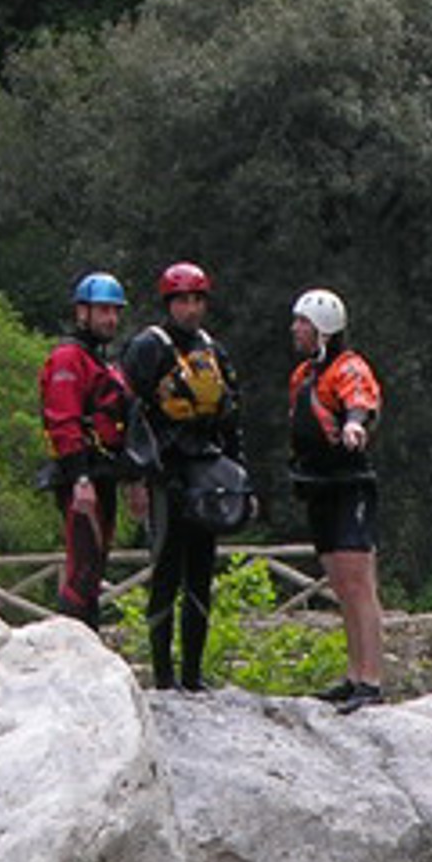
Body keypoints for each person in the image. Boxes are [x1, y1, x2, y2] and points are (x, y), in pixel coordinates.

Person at [121, 260, 248, 692]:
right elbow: (130, 416)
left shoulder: (213, 351)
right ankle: (163, 675)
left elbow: (231, 419)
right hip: (165, 474)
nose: (191, 309)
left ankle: (192, 676)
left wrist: (239, 479)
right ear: (168, 303)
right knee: (165, 573)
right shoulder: (148, 348)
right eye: (182, 301)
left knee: (200, 574)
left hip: (205, 476)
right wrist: (135, 479)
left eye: (197, 300)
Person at [286, 287, 385, 708]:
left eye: (303, 323)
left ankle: (371, 680)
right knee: (340, 584)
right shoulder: (303, 375)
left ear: (323, 329)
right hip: (319, 485)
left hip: (349, 484)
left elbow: (359, 400)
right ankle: (353, 673)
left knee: (358, 582)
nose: (296, 329)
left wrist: (354, 424)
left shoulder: (349, 367)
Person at [38, 271, 134, 629]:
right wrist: (80, 478)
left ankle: (86, 640)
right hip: (82, 475)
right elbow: (63, 420)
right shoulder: (69, 358)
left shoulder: (100, 361)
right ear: (83, 312)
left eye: (115, 311)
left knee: (94, 564)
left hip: (103, 472)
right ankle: (74, 642)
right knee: (83, 566)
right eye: (103, 311)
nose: (111, 319)